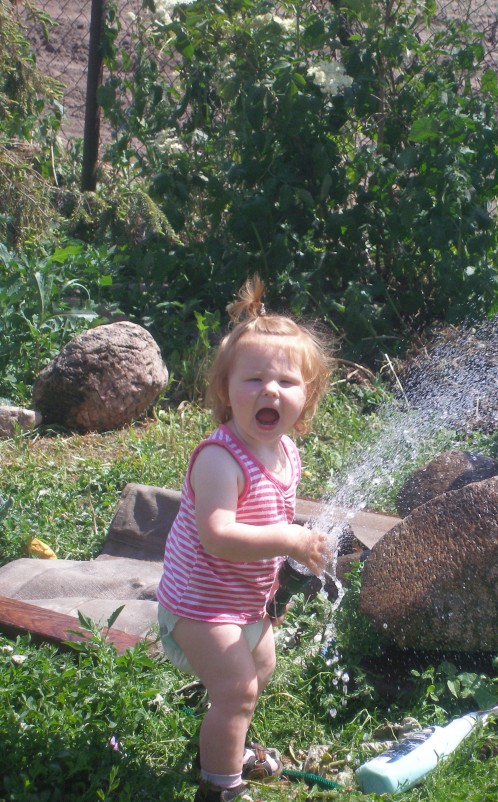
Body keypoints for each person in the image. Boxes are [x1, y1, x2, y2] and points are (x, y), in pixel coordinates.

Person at [156, 275, 334, 802]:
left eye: (286, 382)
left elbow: (272, 512)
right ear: (225, 391)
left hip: (245, 600)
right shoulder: (219, 459)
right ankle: (220, 787)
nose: (270, 391)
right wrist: (287, 539)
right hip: (199, 605)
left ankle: (226, 741)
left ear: (308, 398)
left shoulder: (286, 454)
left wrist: (279, 583)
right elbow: (218, 537)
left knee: (260, 670)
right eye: (253, 379)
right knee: (238, 690)